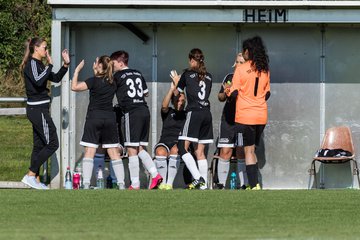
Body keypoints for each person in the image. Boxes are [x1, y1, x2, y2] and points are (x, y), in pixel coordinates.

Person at [20, 37, 70, 190]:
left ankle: (34, 179)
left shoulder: (40, 64)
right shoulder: (32, 64)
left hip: (40, 109)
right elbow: (38, 81)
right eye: (44, 47)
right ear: (36, 48)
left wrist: (65, 64)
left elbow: (54, 78)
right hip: (37, 109)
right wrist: (51, 64)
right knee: (53, 143)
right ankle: (30, 175)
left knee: (39, 145)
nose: (46, 51)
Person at [110, 50, 162, 190]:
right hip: (144, 111)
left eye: (113, 63)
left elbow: (108, 90)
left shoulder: (118, 76)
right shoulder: (138, 73)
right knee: (139, 148)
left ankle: (135, 184)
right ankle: (155, 174)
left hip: (131, 112)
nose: (112, 66)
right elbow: (146, 93)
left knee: (131, 148)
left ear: (120, 62)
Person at [71, 56, 125, 190]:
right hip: (109, 119)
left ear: (99, 65)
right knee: (114, 152)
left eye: (96, 62)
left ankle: (86, 183)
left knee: (90, 151)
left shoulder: (93, 81)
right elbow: (105, 78)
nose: (94, 64)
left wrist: (77, 71)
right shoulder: (114, 81)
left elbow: (74, 87)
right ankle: (121, 184)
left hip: (94, 117)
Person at [225, 36, 270, 190]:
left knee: (248, 150)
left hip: (245, 115)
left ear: (247, 52)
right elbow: (267, 94)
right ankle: (255, 182)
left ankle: (253, 185)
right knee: (253, 149)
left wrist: (228, 90)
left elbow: (234, 92)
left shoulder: (241, 69)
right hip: (261, 115)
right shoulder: (264, 69)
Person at [171, 48, 213, 190]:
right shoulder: (209, 76)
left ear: (192, 60)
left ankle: (198, 178)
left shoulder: (187, 74)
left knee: (182, 147)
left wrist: (177, 83)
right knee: (199, 152)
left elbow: (177, 93)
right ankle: (204, 186)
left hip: (194, 112)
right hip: (207, 113)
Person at [216, 53, 248, 189]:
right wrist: (225, 92)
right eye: (236, 62)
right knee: (225, 151)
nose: (237, 65)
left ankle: (244, 184)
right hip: (228, 120)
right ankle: (221, 184)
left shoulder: (249, 77)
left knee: (241, 151)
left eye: (241, 62)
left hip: (243, 119)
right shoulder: (229, 77)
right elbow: (220, 97)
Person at [153, 77, 186, 190]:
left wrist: (181, 86)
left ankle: (169, 184)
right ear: (173, 101)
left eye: (182, 101)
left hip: (178, 143)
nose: (180, 103)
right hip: (165, 141)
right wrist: (172, 90)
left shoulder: (187, 114)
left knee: (175, 150)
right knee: (160, 151)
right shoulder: (169, 112)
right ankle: (162, 184)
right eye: (178, 101)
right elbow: (164, 106)